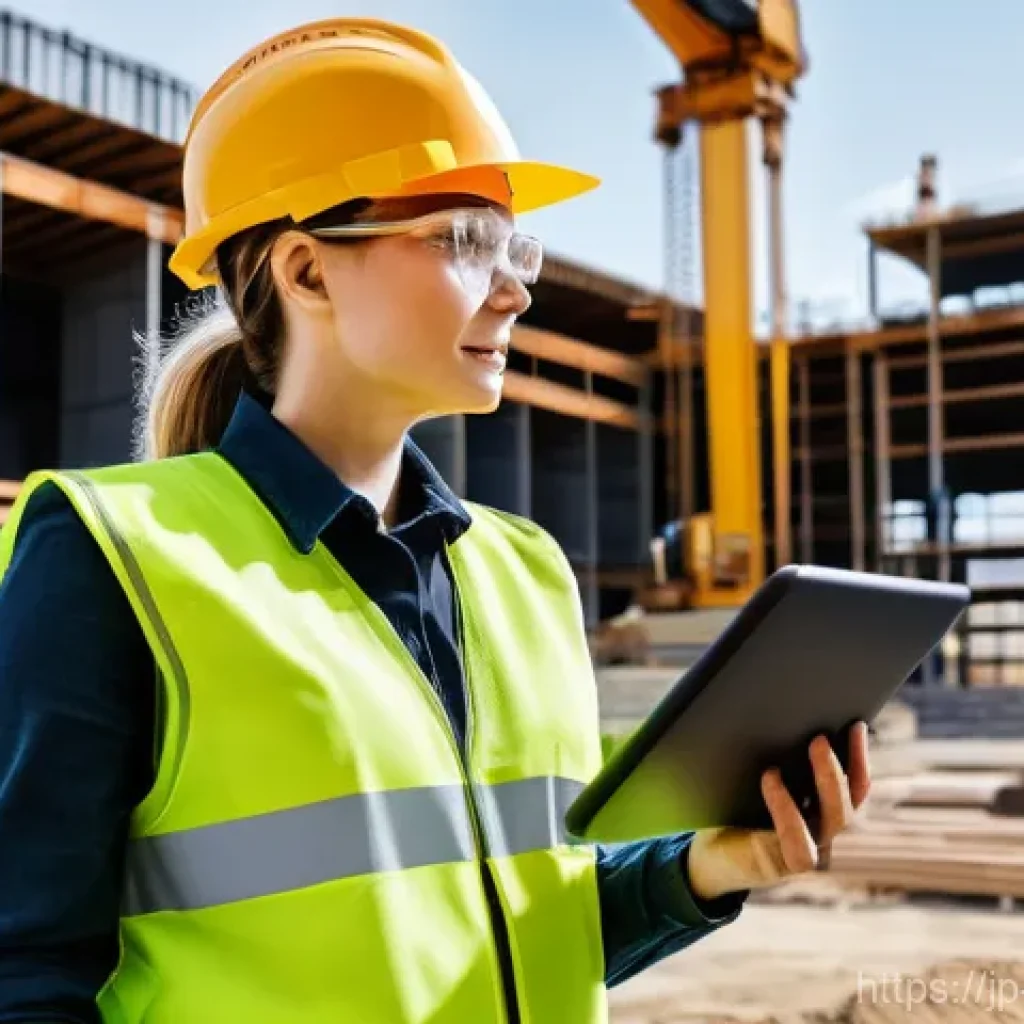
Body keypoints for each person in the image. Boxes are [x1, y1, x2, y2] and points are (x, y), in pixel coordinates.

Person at [0, 17, 871, 1023]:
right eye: (464, 240)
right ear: (307, 270)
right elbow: (25, 970)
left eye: (516, 248)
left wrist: (707, 867)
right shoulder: (115, 557)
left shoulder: (526, 573)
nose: (514, 291)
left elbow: (525, 932)